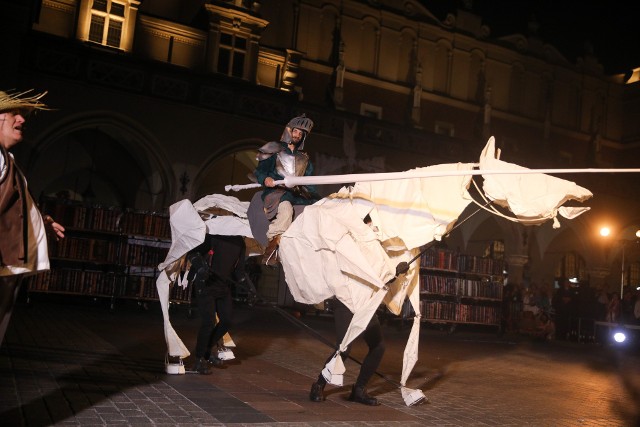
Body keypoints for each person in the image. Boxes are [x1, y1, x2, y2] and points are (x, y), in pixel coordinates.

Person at [0, 89, 65, 346]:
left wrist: (42, 222)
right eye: (14, 113)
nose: (22, 120)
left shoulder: (6, 159)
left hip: (8, 267)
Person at [253, 114, 320, 266]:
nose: (297, 135)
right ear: (289, 130)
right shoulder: (273, 149)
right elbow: (260, 171)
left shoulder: (304, 158)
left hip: (297, 194)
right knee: (287, 210)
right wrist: (266, 179)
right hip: (277, 192)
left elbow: (308, 183)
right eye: (296, 131)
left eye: (300, 133)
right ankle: (272, 248)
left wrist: (317, 199)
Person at [186, 233, 245, 374]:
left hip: (223, 286)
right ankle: (199, 360)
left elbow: (239, 269)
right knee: (209, 322)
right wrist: (200, 266)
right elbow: (193, 253)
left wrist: (245, 283)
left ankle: (207, 350)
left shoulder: (240, 242)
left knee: (227, 321)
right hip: (206, 284)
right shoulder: (213, 236)